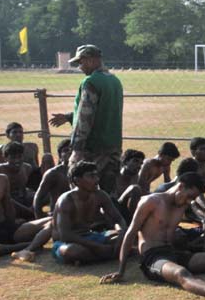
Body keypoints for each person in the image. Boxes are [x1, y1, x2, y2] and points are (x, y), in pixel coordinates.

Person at [100, 172, 205, 300]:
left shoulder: (181, 206)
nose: (189, 202)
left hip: (175, 254)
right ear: (180, 186)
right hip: (153, 257)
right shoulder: (151, 202)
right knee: (180, 273)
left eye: (193, 198)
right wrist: (121, 270)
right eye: (189, 196)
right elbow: (131, 232)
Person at [49, 45, 123, 194]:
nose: (80, 67)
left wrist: (77, 149)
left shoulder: (91, 82)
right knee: (109, 190)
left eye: (80, 63)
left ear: (90, 60)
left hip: (93, 148)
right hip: (113, 146)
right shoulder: (115, 81)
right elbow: (104, 110)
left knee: (79, 187)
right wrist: (69, 117)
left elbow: (85, 116)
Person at [51, 161, 128, 265]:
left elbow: (118, 219)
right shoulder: (66, 200)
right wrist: (96, 247)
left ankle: (93, 257)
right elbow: (65, 235)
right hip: (67, 242)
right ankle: (110, 254)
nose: (97, 180)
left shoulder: (101, 195)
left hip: (91, 236)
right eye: (91, 176)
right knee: (71, 251)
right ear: (77, 180)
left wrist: (122, 235)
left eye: (96, 175)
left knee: (121, 238)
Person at [0, 173, 49, 257]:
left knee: (52, 220)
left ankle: (28, 246)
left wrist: (16, 221)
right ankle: (30, 246)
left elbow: (8, 206)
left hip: (8, 228)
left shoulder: (2, 179)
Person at [32, 139, 73, 219]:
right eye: (66, 150)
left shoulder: (84, 172)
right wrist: (40, 218)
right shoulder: (53, 173)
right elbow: (38, 199)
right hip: (57, 215)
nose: (69, 152)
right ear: (60, 156)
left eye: (72, 150)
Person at [0, 142, 35, 219]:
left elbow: (27, 189)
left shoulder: (27, 168)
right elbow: (5, 197)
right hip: (7, 203)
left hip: (23, 199)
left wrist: (33, 205)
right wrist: (28, 210)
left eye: (19, 157)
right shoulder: (0, 170)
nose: (17, 160)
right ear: (5, 158)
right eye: (13, 157)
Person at [112, 149, 145, 219]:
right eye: (135, 161)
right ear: (126, 161)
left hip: (127, 212)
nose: (139, 166)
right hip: (113, 209)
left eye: (141, 163)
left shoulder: (136, 178)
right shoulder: (114, 176)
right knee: (135, 188)